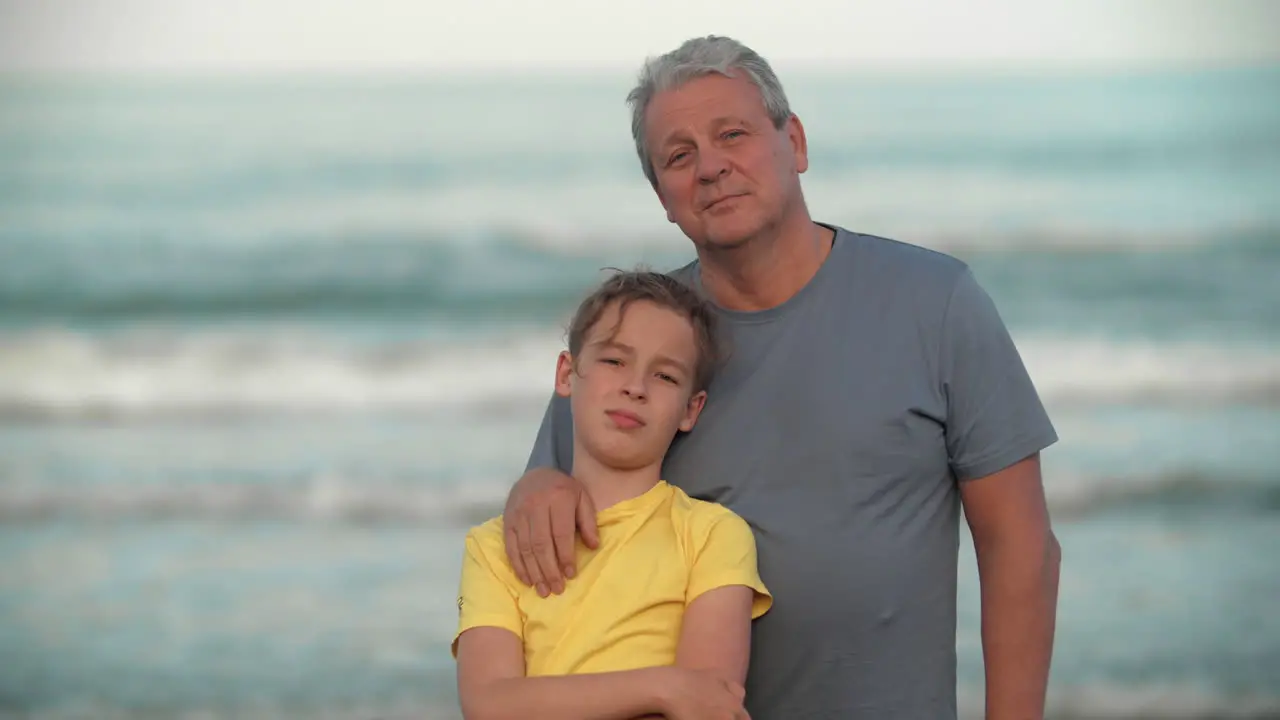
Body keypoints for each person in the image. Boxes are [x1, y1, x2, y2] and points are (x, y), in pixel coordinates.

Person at [501, 35, 1063, 719]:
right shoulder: (641, 341)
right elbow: (551, 493)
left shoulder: (934, 302)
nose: (710, 168)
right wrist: (536, 486)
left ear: (793, 142)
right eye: (679, 156)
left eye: (731, 134)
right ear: (663, 198)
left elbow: (1019, 543)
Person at [452, 270, 773, 720]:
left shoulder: (713, 535)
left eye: (664, 375)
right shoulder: (494, 547)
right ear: (567, 373)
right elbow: (489, 704)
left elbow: (707, 703)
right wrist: (662, 686)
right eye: (614, 361)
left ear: (690, 409)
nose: (635, 387)